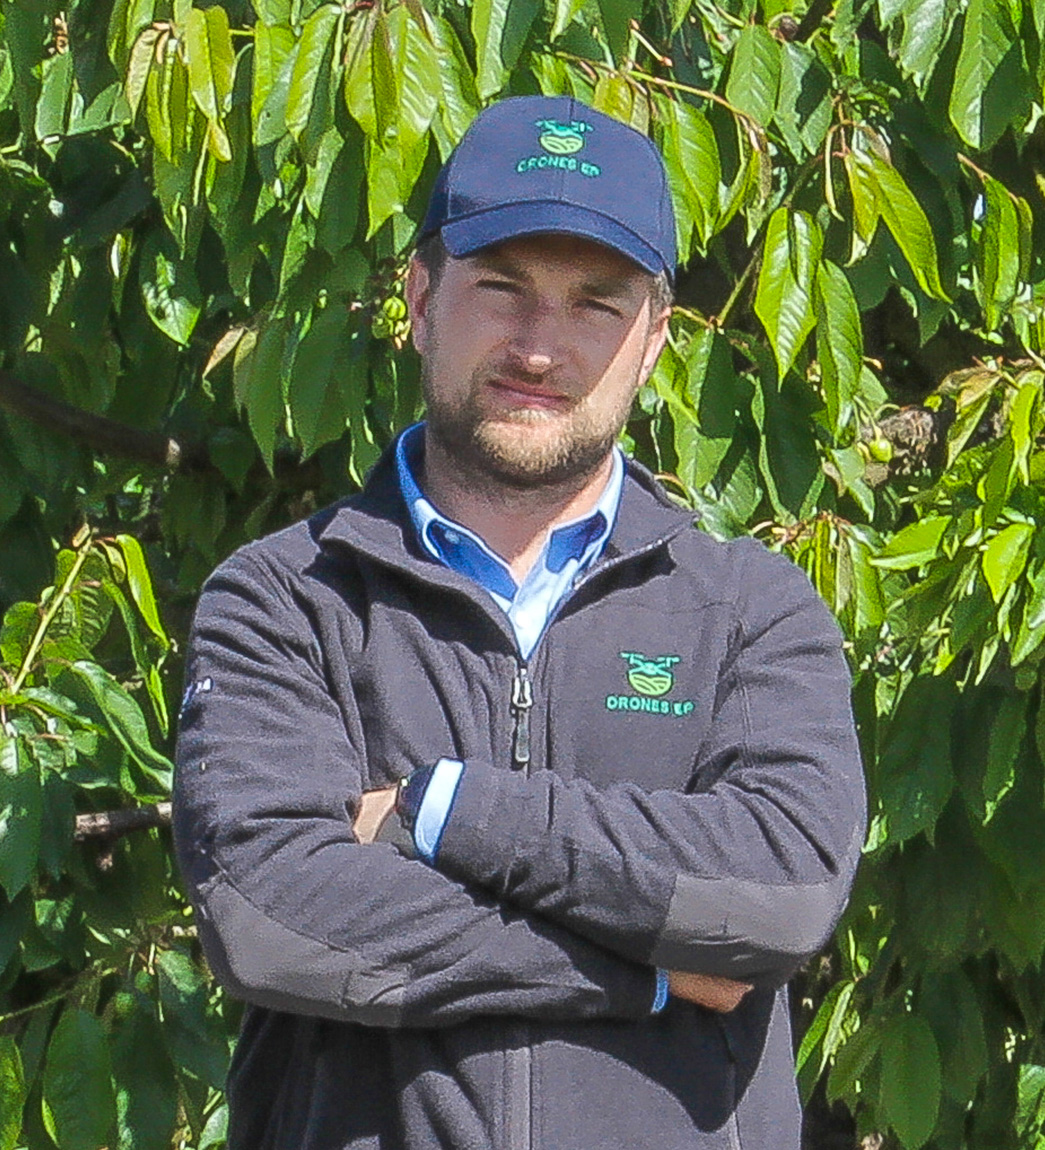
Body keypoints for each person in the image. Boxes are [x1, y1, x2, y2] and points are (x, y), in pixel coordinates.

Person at [173, 95, 865, 1150]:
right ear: (420, 298)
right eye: (501, 288)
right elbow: (271, 919)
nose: (539, 348)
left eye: (595, 304)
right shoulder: (284, 598)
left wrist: (445, 810)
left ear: (653, 339)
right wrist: (646, 971)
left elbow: (776, 893)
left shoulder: (750, 613)